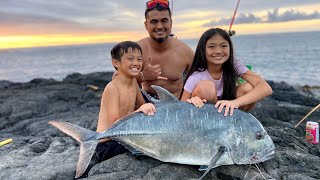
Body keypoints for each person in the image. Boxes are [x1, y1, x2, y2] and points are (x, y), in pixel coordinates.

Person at [180, 28, 273, 116]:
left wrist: (235, 102)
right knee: (206, 87)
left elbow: (265, 88)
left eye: (224, 46)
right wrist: (193, 101)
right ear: (202, 50)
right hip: (206, 117)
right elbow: (180, 109)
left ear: (230, 48)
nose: (218, 51)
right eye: (211, 46)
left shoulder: (234, 64)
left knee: (248, 87)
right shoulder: (196, 75)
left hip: (229, 112)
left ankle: (237, 120)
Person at [113, 0, 194, 99]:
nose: (159, 26)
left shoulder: (184, 51)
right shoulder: (137, 50)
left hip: (176, 104)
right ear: (146, 25)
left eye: (164, 21)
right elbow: (117, 78)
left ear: (171, 23)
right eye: (154, 22)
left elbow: (201, 78)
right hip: (147, 104)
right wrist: (143, 76)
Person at [95, 41, 156, 164]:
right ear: (115, 62)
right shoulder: (112, 88)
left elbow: (142, 104)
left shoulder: (133, 82)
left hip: (125, 138)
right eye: (130, 59)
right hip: (107, 144)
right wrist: (139, 111)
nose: (136, 63)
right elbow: (114, 126)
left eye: (139, 59)